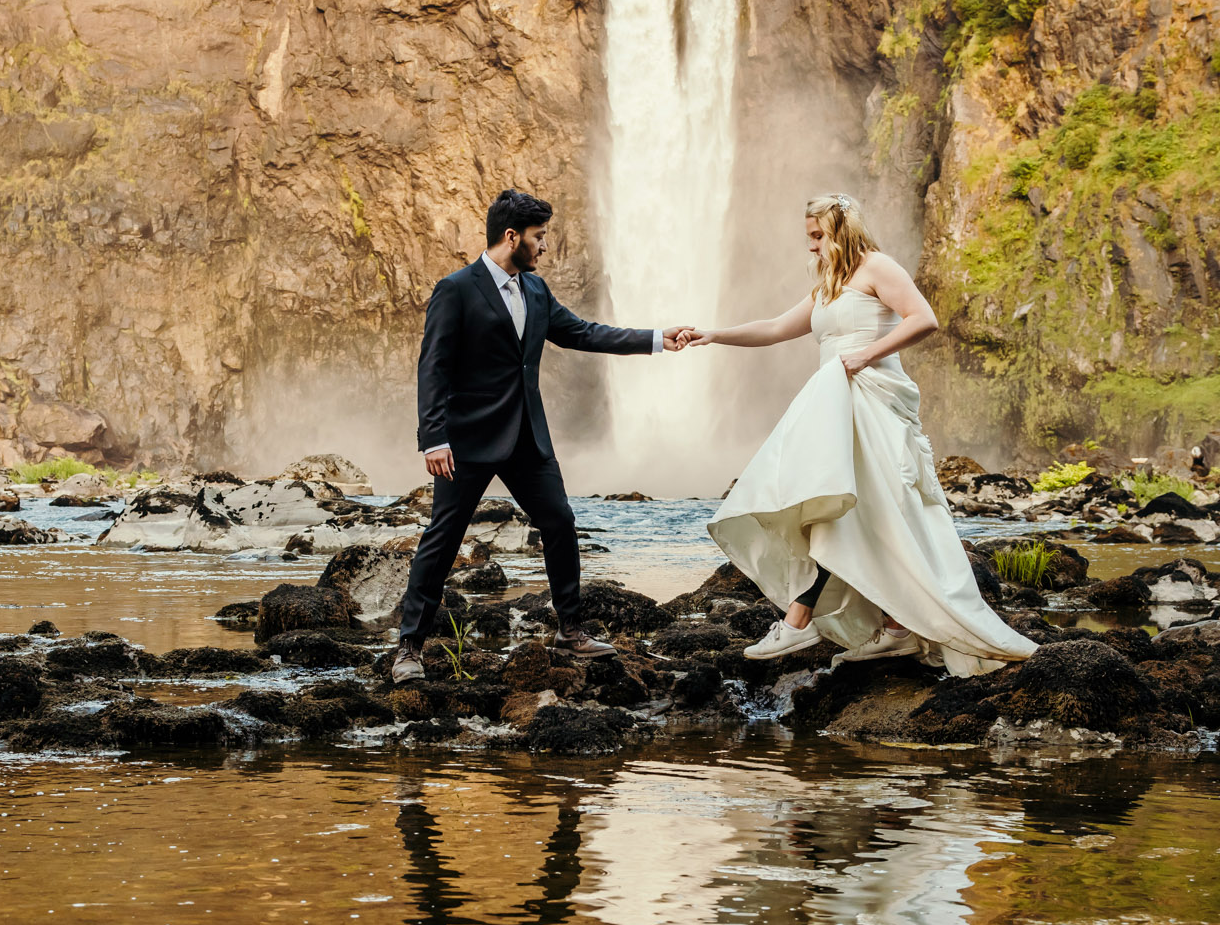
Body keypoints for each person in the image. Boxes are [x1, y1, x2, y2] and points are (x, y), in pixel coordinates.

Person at [686, 193, 1036, 672]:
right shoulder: (830, 284)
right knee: (851, 506)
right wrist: (712, 334)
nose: (811, 247)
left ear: (841, 230)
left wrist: (865, 355)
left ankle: (802, 619)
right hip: (835, 400)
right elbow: (772, 328)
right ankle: (892, 628)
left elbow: (924, 319)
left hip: (870, 394)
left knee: (859, 504)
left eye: (817, 236)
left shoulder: (878, 267)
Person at [390, 190, 696, 686]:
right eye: (540, 237)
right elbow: (433, 369)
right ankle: (409, 646)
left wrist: (660, 338)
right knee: (442, 540)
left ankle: (570, 629)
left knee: (559, 520)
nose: (545, 246)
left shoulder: (535, 290)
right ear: (512, 237)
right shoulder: (456, 289)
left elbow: (585, 333)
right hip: (465, 442)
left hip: (527, 436)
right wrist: (434, 438)